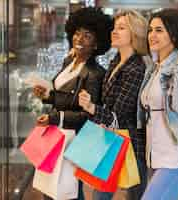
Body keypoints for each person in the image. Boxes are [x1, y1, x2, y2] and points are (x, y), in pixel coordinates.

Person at [33, 7, 113, 200]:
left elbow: (87, 116)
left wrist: (55, 117)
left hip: (72, 139)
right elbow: (64, 97)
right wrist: (47, 96)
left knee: (66, 191)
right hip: (55, 135)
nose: (79, 38)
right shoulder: (69, 62)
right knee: (50, 189)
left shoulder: (95, 74)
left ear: (97, 44)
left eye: (87, 36)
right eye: (77, 33)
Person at [78, 9, 148, 200]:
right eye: (114, 28)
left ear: (135, 33)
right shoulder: (116, 60)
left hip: (131, 145)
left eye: (121, 28)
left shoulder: (136, 68)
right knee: (100, 195)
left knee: (134, 195)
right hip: (111, 140)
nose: (114, 32)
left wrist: (92, 107)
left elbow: (119, 116)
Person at [137, 9, 178, 200]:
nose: (152, 35)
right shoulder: (154, 67)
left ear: (173, 33)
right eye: (150, 30)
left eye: (159, 30)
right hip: (156, 154)